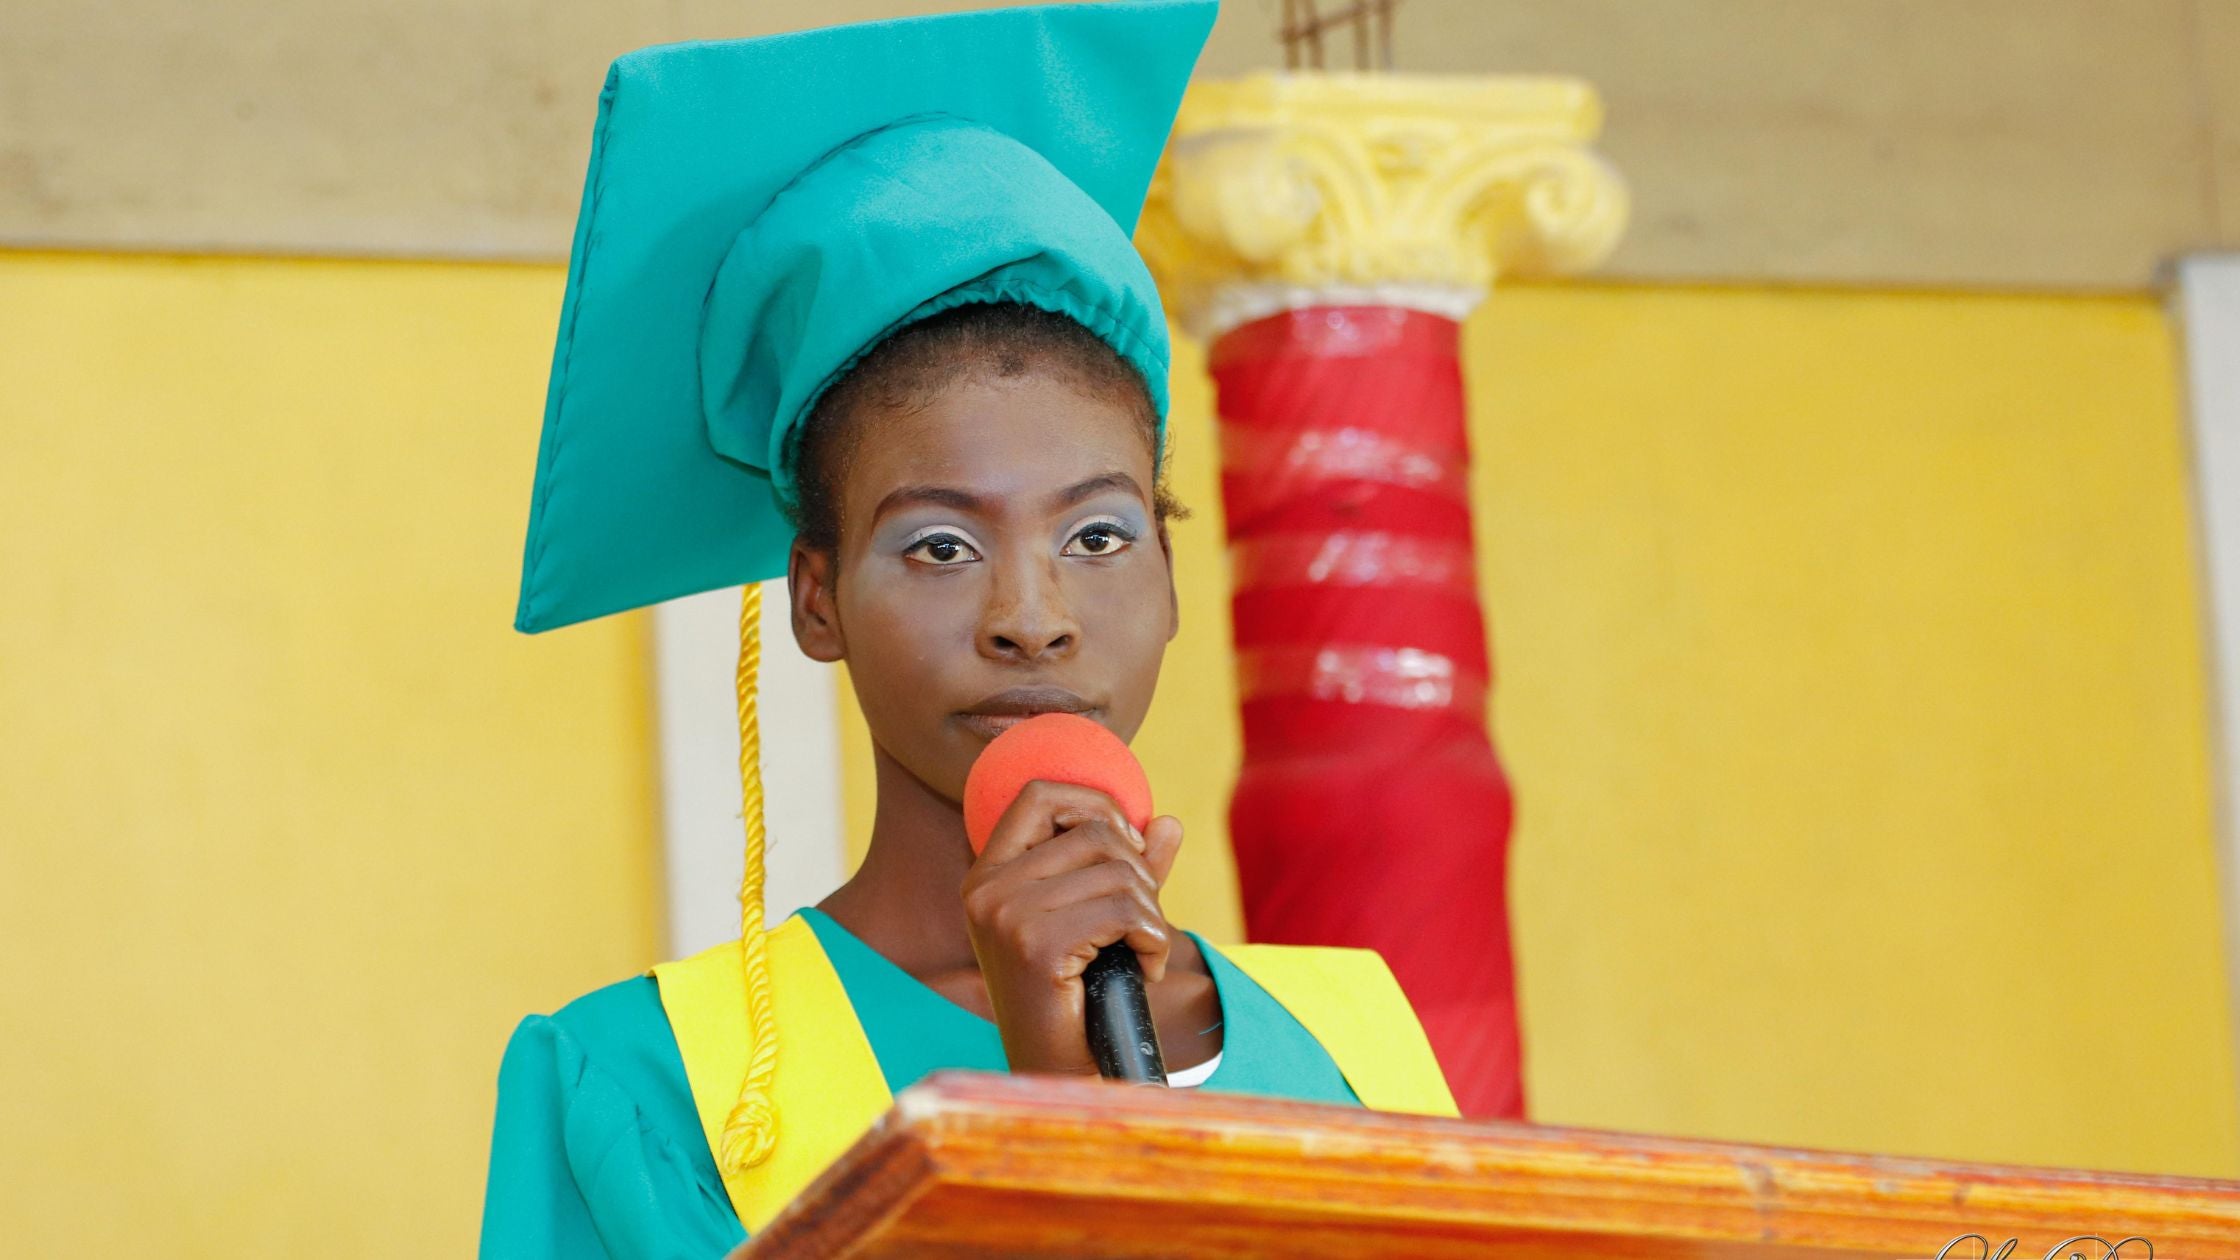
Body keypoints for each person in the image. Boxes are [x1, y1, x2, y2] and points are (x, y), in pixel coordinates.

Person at [480, 4, 1457, 1256]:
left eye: (1096, 537)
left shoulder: (1354, 1033)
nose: (1030, 620)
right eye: (939, 546)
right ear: (817, 599)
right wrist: (1048, 1105)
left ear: (1167, 566)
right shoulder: (642, 1080)